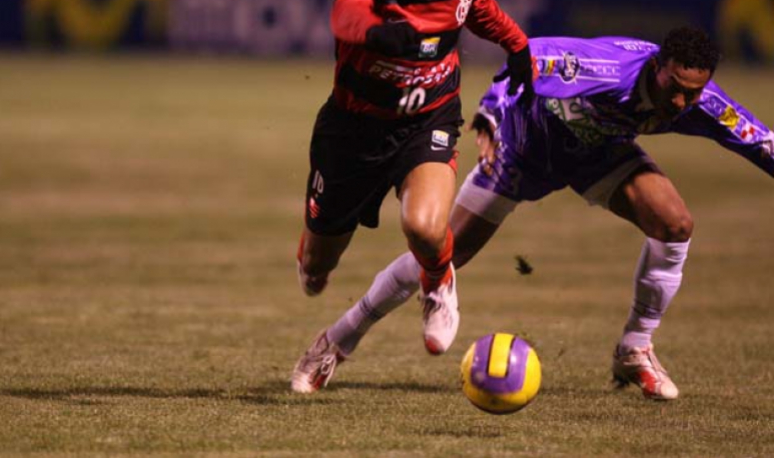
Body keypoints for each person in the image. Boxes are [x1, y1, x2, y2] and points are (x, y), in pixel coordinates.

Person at [292, 26, 774, 400]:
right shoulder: (606, 67)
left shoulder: (700, 103)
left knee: (675, 224)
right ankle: (337, 340)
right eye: (675, 87)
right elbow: (528, 59)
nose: (680, 102)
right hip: (523, 146)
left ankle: (635, 348)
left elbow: (759, 141)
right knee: (441, 253)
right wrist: (491, 115)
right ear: (659, 65)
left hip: (596, 154)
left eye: (692, 92)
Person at [291, 0, 533, 394]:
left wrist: (517, 45)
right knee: (317, 268)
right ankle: (314, 259)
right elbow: (346, 14)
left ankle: (439, 281)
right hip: (352, 133)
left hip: (428, 120)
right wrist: (380, 32)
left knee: (424, 228)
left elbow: (477, 6)